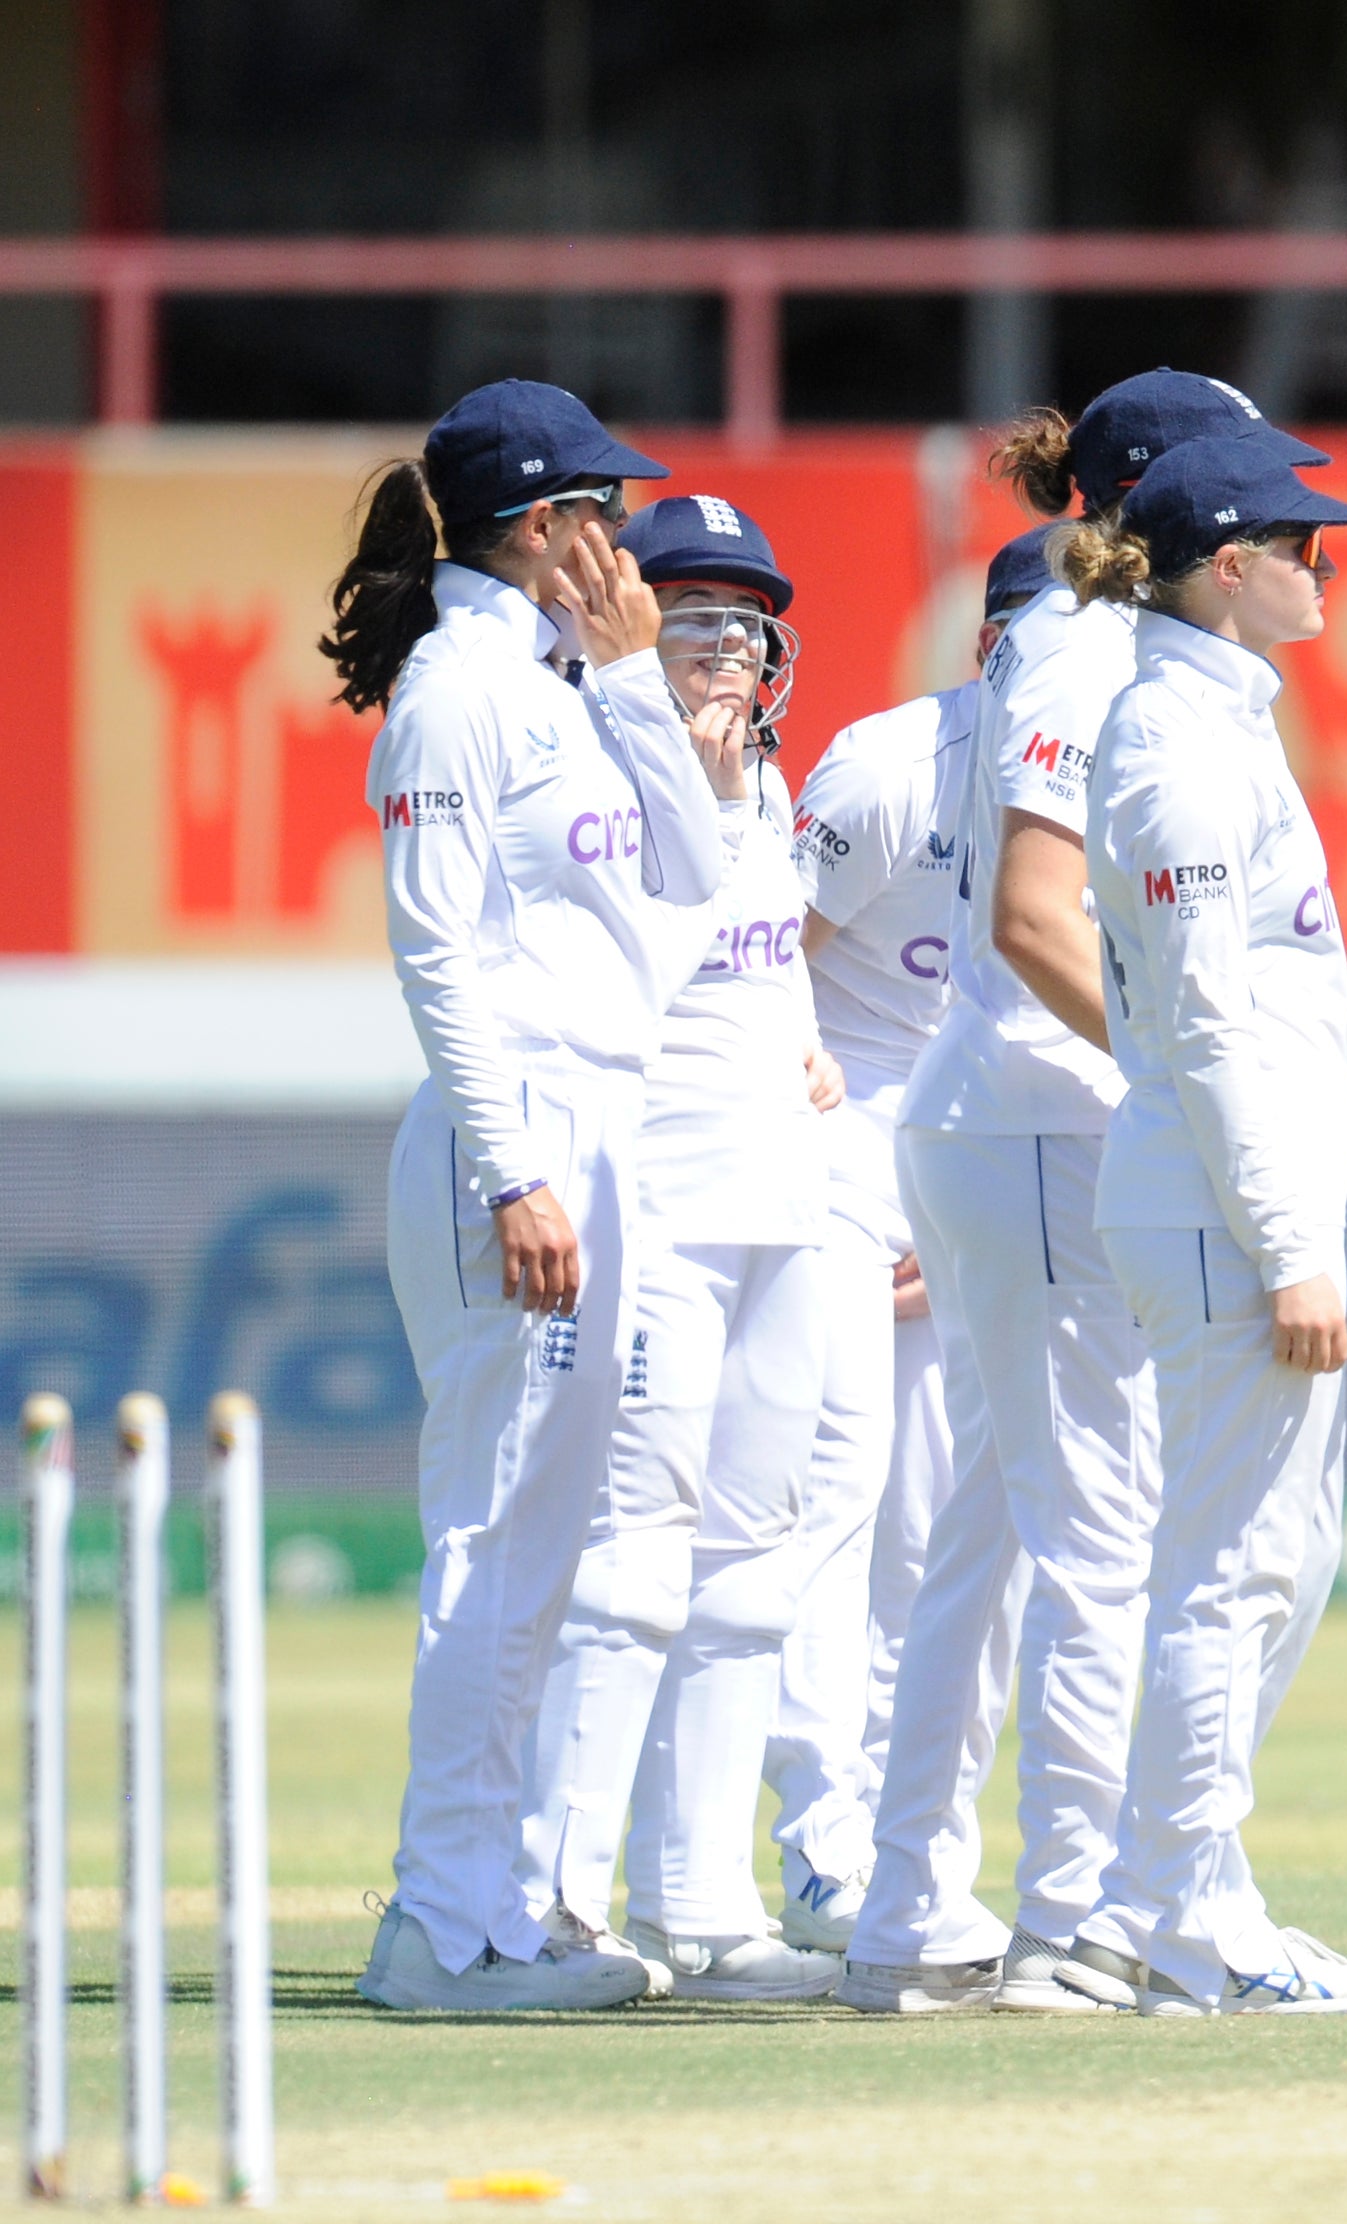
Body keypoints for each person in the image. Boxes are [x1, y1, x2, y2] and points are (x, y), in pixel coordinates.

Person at [845, 371, 1328, 2016]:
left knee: (991, 1536)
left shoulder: (1080, 635)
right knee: (1100, 1544)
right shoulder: (1082, 640)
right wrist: (1191, 1083)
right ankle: (1073, 1924)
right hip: (1047, 1118)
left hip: (1016, 1120)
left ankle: (910, 1908)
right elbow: (1037, 920)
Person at [336, 380, 733, 2011]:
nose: (628, 538)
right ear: (541, 524)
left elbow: (698, 873)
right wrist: (515, 1169)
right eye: (607, 512)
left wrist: (640, 674)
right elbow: (435, 946)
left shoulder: (565, 683)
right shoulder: (454, 690)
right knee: (495, 1535)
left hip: (597, 1128)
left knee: (549, 1545)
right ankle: (439, 1924)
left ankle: (494, 1904)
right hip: (515, 1143)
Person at [1035, 439, 1347, 2013]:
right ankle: (1180, 1915)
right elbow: (1202, 1022)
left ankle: (1188, 1889)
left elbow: (1281, 1003)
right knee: (1226, 1568)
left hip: (1248, 1166)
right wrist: (1285, 1238)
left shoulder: (1217, 722)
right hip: (1211, 1185)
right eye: (1299, 543)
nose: (1324, 566)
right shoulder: (1170, 742)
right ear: (1222, 566)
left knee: (1282, 1559)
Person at [513, 493, 846, 2002]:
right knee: (630, 1558)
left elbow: (772, 975)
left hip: (779, 1195)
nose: (723, 649)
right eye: (691, 619)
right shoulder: (586, 763)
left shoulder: (763, 780)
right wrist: (686, 796)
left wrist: (814, 1066)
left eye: (743, 623)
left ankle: (706, 1905)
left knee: (755, 1564)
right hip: (655, 1200)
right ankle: (560, 1901)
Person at [764, 527, 1044, 1954]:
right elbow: (756, 977)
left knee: (955, 1528)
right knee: (837, 1497)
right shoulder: (884, 770)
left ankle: (913, 1847)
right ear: (994, 647)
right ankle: (821, 1842)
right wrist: (832, 1162)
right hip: (848, 1139)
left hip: (985, 1154)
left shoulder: (1114, 777)